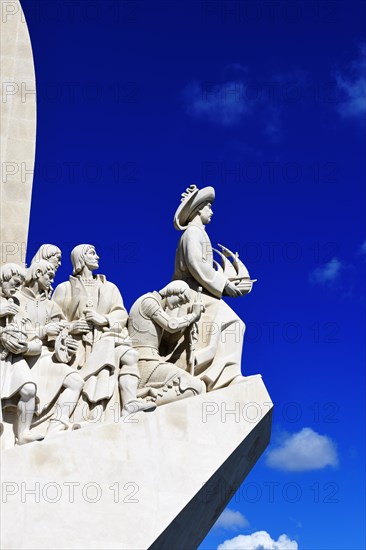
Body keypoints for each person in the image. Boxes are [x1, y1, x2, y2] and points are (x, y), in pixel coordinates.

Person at [52, 244, 155, 420]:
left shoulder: (110, 287)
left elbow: (121, 313)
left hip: (106, 338)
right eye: (92, 253)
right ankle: (80, 416)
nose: (97, 256)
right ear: (81, 257)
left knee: (129, 355)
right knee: (83, 381)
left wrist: (104, 319)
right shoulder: (65, 288)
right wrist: (72, 327)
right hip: (78, 347)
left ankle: (129, 403)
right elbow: (52, 320)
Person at [170, 185, 253, 391]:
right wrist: (225, 285)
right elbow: (196, 264)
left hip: (204, 292)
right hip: (192, 294)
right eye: (208, 207)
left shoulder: (200, 234)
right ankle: (222, 377)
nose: (212, 212)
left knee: (233, 325)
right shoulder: (192, 233)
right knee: (233, 323)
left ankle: (221, 374)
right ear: (198, 209)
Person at [18, 260, 84, 436]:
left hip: (46, 357)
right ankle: (24, 431)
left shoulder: (51, 306)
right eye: (49, 276)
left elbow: (60, 337)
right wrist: (43, 331)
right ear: (38, 273)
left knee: (75, 381)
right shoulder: (17, 299)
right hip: (22, 357)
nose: (51, 281)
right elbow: (14, 333)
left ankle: (56, 426)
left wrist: (66, 345)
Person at [128, 280, 205, 406]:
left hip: (151, 362)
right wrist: (193, 315)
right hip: (144, 363)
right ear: (174, 292)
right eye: (181, 300)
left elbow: (170, 336)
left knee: (198, 387)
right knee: (193, 386)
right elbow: (171, 325)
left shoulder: (156, 304)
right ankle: (141, 403)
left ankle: (142, 401)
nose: (179, 305)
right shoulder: (148, 301)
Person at [0, 263, 41, 444]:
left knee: (29, 389)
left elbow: (37, 342)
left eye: (19, 285)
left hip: (14, 357)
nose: (16, 289)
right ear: (3, 279)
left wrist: (24, 347)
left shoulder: (19, 309)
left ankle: (23, 434)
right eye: (14, 283)